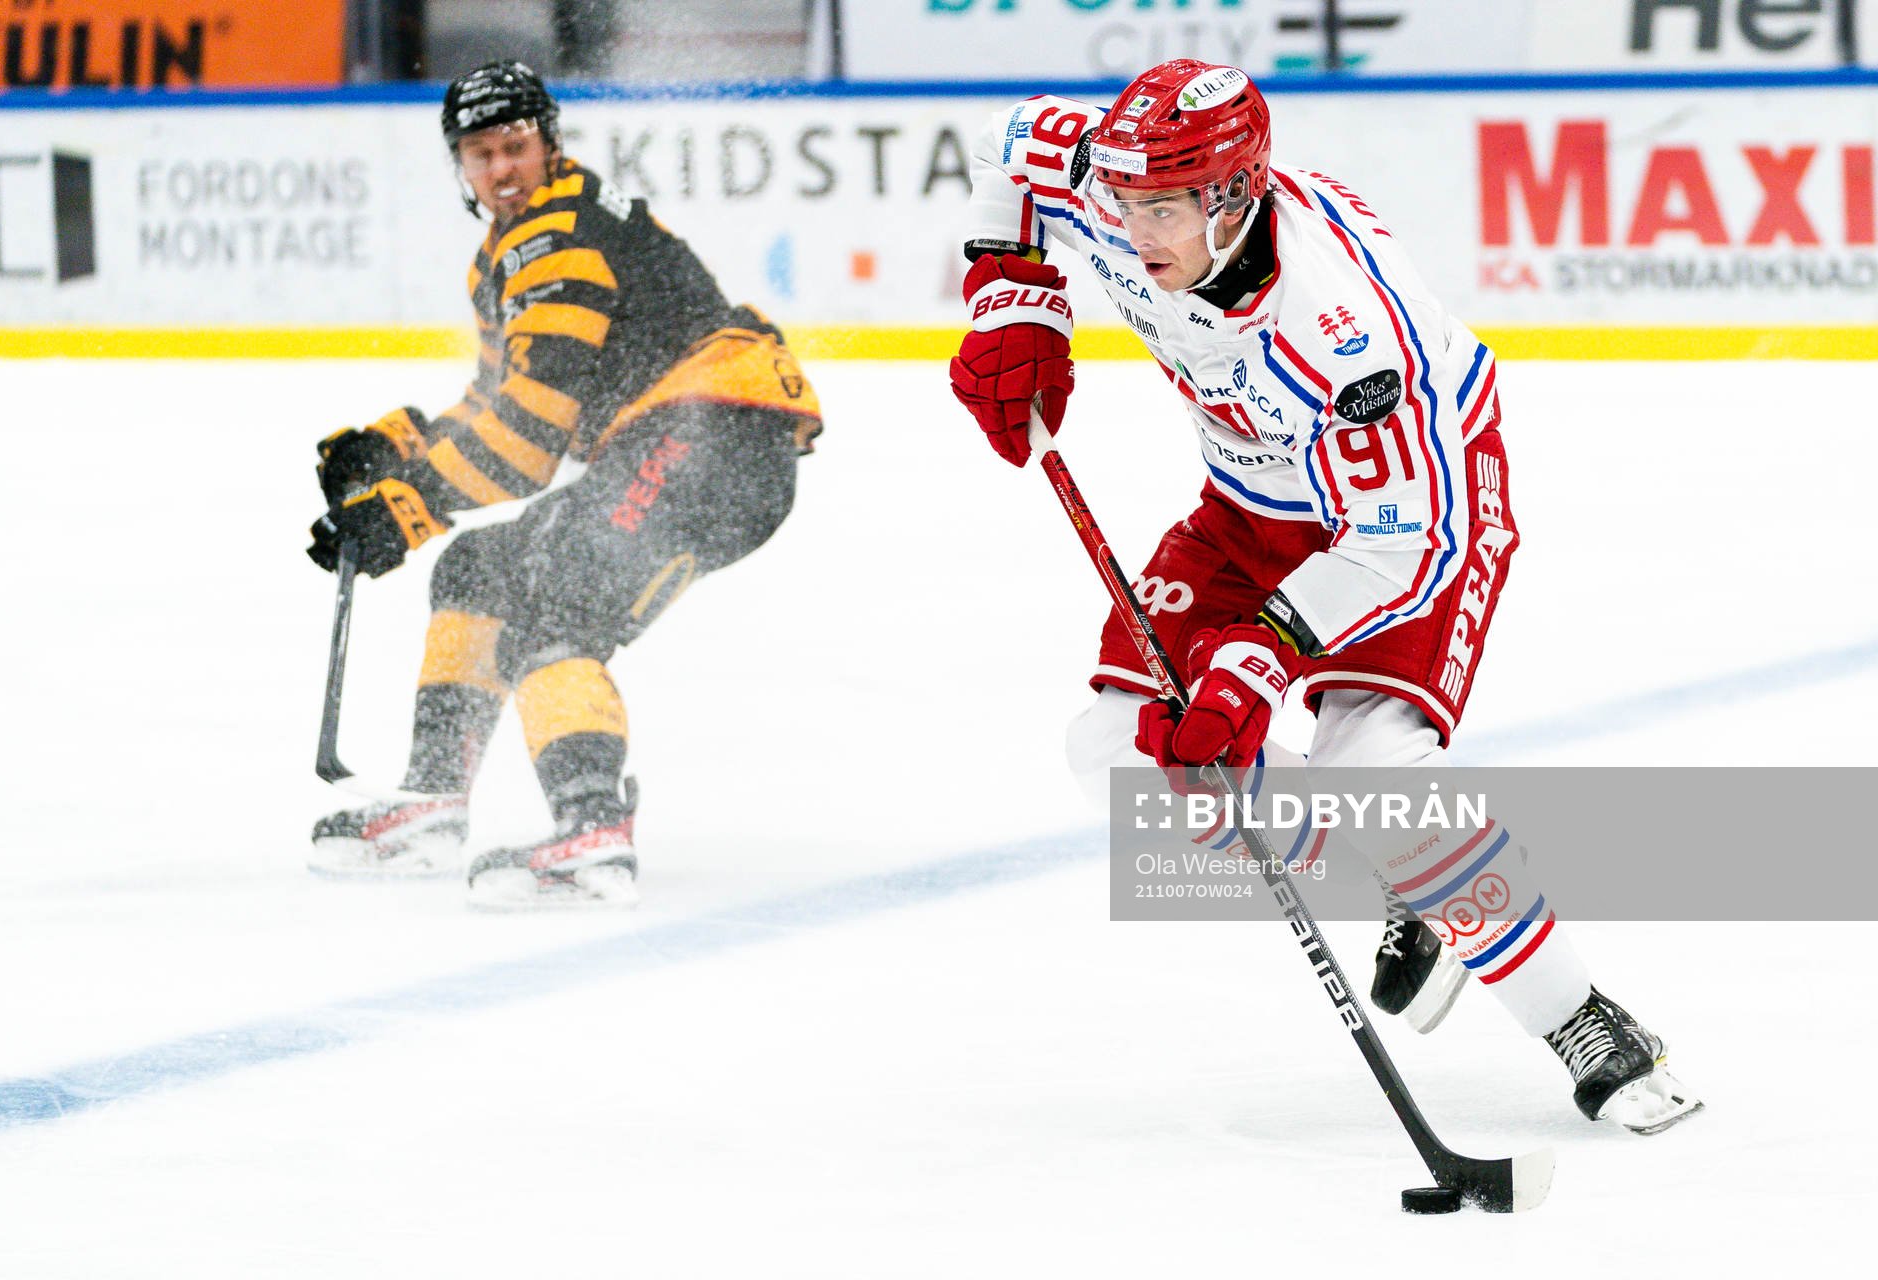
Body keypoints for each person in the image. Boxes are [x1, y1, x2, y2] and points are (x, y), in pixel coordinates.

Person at [950, 60, 1700, 1132]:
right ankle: (1414, 880)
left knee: (1373, 766)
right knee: (1116, 756)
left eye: (1157, 208)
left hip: (1416, 505)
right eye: (1121, 202)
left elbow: (1407, 533)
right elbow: (1004, 147)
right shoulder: (1113, 178)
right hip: (1252, 501)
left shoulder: (1343, 325)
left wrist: (1258, 654)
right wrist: (1014, 300)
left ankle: (1581, 1016)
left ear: (1231, 196)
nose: (1128, 227)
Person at [305, 61, 822, 907]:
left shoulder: (556, 241)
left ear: (550, 143)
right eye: (480, 154)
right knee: (481, 569)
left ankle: (591, 827)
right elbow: (501, 402)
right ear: (458, 166)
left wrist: (406, 507)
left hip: (712, 437)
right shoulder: (526, 241)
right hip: (697, 437)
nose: (501, 168)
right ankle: (435, 798)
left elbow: (528, 441)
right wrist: (396, 448)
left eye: (515, 146)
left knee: (560, 596)